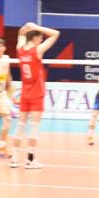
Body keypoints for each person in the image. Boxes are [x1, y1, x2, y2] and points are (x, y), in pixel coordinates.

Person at [10, 22, 60, 170]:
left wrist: (27, 27)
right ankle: (30, 160)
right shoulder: (37, 50)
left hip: (25, 93)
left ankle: (14, 158)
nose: (42, 39)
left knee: (20, 125)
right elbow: (56, 34)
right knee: (34, 126)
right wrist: (37, 27)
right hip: (36, 93)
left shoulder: (20, 49)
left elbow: (21, 33)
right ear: (35, 37)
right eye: (40, 37)